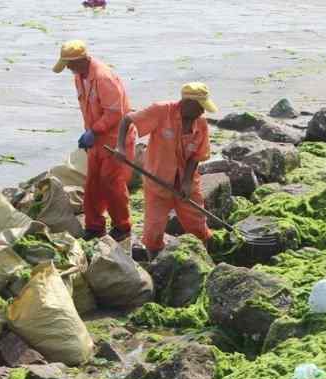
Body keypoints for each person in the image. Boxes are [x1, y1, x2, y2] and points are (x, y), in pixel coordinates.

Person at [115, 82, 217, 257]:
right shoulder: (161, 111)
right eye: (200, 107)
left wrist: (185, 182)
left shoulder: (200, 123)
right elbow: (127, 119)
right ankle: (154, 261)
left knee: (197, 224)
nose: (203, 111)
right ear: (187, 103)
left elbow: (196, 156)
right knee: (153, 229)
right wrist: (121, 147)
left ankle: (206, 257)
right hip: (157, 182)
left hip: (187, 184)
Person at [53, 39, 135, 241]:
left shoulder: (103, 78)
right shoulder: (80, 76)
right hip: (97, 139)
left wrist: (94, 131)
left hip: (117, 139)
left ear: (81, 60)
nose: (69, 69)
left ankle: (122, 227)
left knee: (112, 184)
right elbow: (89, 109)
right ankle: (95, 227)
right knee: (93, 184)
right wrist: (90, 133)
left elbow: (116, 113)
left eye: (70, 65)